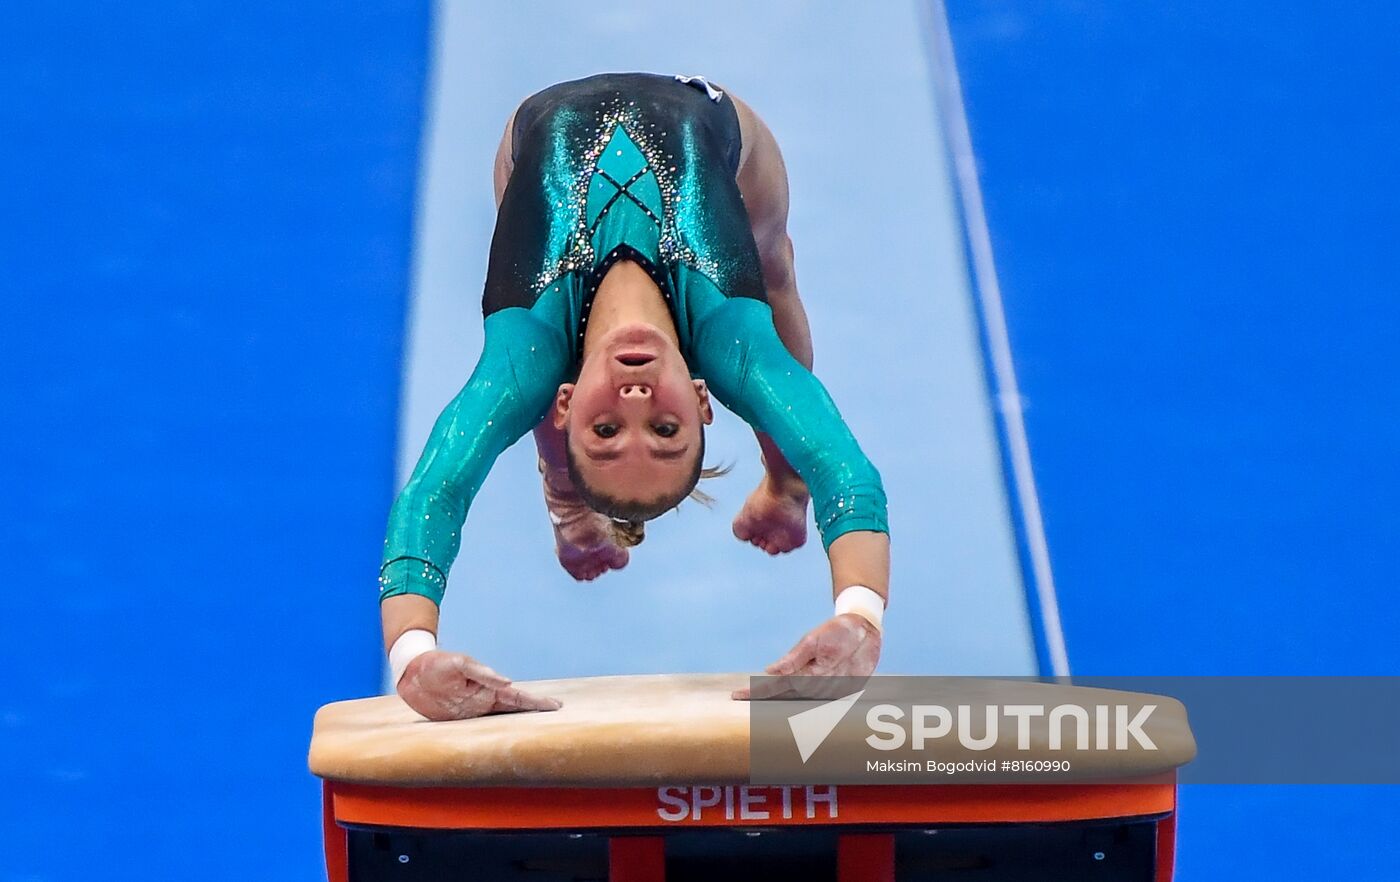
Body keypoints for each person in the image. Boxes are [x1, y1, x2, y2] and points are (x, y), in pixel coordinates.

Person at [378, 73, 890, 721]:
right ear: (705, 400)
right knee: (773, 277)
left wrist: (411, 653)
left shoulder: (527, 359)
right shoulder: (730, 340)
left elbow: (436, 490)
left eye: (608, 429)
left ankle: (568, 493)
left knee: (535, 367)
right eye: (666, 429)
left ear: (571, 411)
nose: (636, 396)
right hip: (712, 121)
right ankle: (785, 486)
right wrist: (861, 617)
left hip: (530, 135)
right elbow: (845, 468)